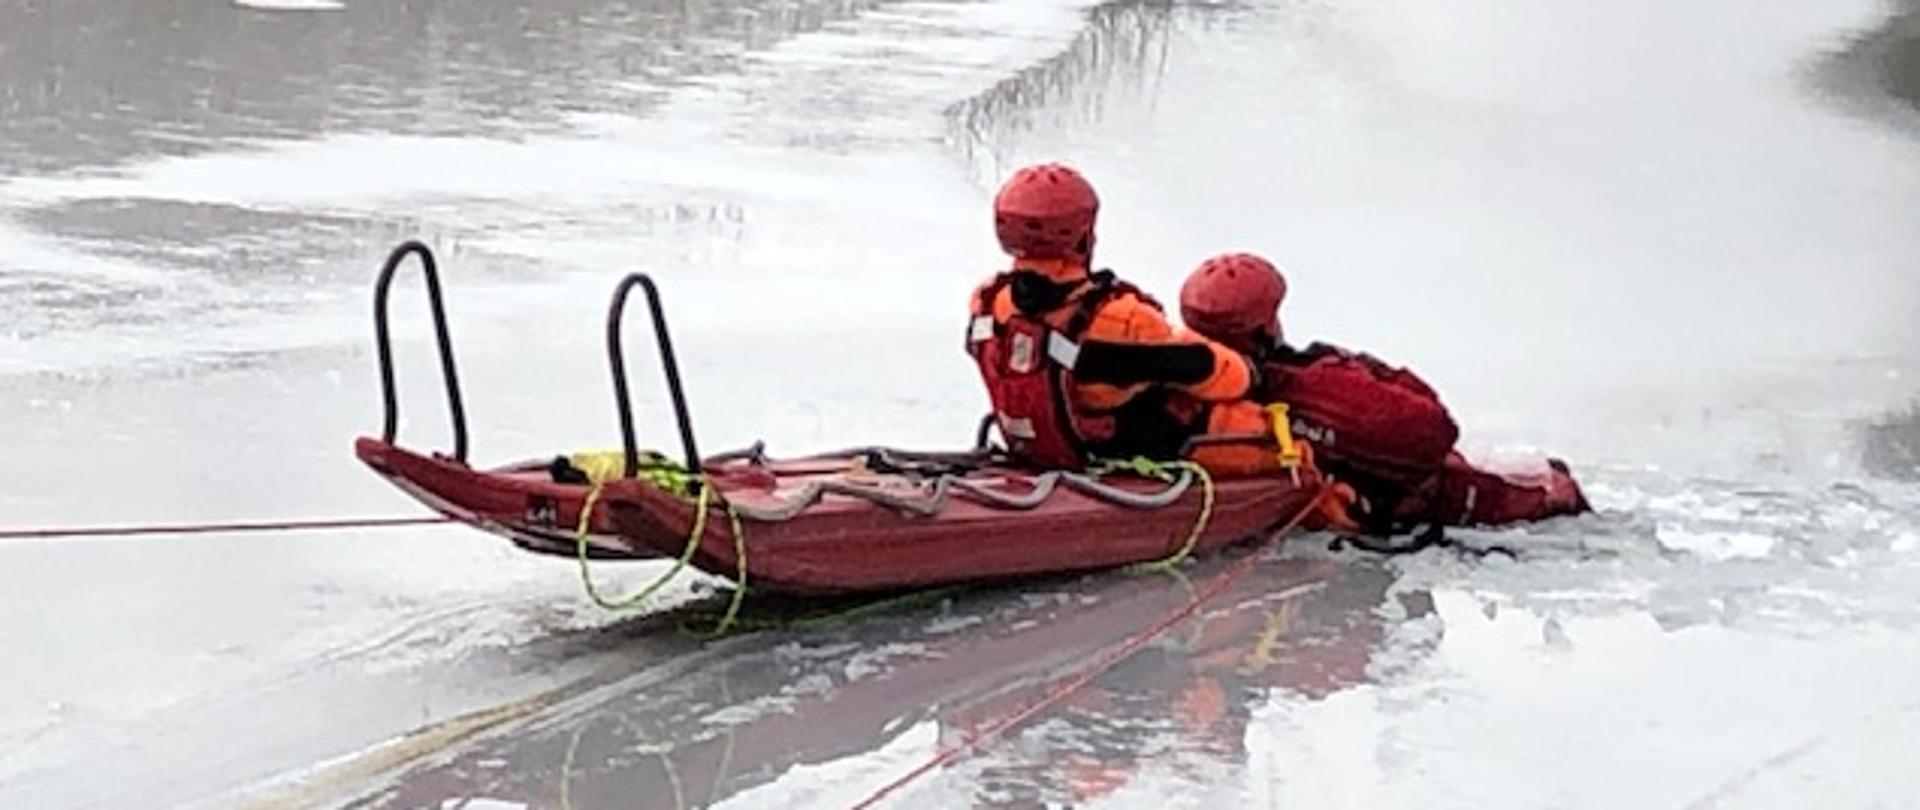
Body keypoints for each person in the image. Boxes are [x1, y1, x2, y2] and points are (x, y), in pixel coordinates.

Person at [1178, 252, 1589, 531]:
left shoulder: (1177, 378)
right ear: (1267, 323)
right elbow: (1432, 430)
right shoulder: (1317, 388)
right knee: (1552, 493)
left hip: (1364, 493)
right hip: (1413, 505)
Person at [966, 165, 1285, 477]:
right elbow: (1218, 375)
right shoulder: (1122, 319)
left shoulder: (988, 300)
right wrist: (1250, 371)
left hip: (1032, 445)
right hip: (1114, 450)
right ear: (1083, 234)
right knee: (1263, 432)